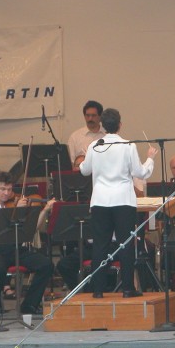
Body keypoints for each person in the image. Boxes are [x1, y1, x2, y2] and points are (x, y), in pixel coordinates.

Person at [80, 108, 158, 298]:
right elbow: (140, 173)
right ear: (120, 125)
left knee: (100, 245)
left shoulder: (94, 146)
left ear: (103, 125)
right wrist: (150, 158)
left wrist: (84, 158)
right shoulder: (128, 145)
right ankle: (128, 288)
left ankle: (97, 290)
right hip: (123, 200)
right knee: (126, 243)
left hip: (100, 201)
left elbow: (84, 170)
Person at [0, 171, 53, 317]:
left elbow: (31, 230)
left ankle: (29, 304)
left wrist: (44, 210)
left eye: (9, 189)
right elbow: (0, 232)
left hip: (17, 248)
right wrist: (17, 211)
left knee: (46, 265)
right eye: (2, 189)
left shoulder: (11, 206)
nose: (7, 193)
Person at [67, 100, 106, 164]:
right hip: (80, 173)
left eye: (93, 115)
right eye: (87, 115)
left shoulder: (107, 135)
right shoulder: (75, 137)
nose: (90, 119)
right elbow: (71, 162)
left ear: (100, 117)